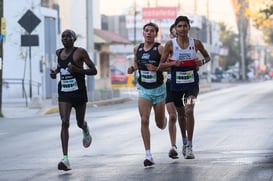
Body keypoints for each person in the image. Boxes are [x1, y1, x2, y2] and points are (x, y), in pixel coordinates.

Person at [148, 16, 211, 159]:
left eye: (185, 26)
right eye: (179, 26)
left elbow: (208, 57)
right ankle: (182, 142)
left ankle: (189, 146)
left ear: (189, 27)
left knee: (189, 110)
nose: (182, 29)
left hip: (192, 85)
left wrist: (200, 61)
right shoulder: (170, 45)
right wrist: (173, 64)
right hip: (174, 85)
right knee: (180, 115)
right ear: (175, 29)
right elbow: (161, 66)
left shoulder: (196, 43)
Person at [50, 29, 97, 171]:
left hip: (79, 92)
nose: (65, 38)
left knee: (79, 122)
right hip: (64, 93)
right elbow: (60, 67)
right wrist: (55, 73)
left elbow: (93, 70)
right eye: (63, 36)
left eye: (68, 36)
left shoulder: (80, 52)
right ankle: (65, 159)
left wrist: (78, 70)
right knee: (64, 122)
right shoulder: (58, 53)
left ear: (74, 38)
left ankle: (85, 128)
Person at [127, 22, 167, 167]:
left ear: (155, 34)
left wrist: (156, 68)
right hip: (144, 89)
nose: (149, 33)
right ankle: (148, 154)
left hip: (158, 89)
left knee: (159, 123)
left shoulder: (160, 49)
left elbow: (168, 65)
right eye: (146, 30)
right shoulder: (137, 48)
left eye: (152, 31)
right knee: (144, 120)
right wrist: (132, 68)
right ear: (143, 33)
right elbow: (137, 64)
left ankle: (163, 121)